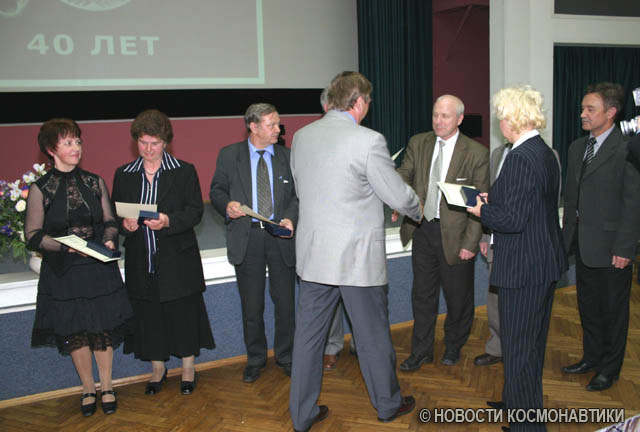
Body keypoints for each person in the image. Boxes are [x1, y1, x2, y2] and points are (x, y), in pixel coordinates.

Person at [288, 71, 423, 431]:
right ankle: (387, 405)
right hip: (356, 259)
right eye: (368, 102)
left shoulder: (301, 137)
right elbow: (397, 195)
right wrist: (418, 207)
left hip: (314, 257)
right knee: (372, 336)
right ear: (360, 102)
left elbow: (304, 189)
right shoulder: (369, 140)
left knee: (308, 340)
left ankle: (301, 415)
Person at [468, 85, 567, 431]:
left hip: (525, 267)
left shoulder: (522, 157)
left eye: (501, 116)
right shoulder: (542, 151)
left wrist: (481, 210)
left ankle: (526, 426)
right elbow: (529, 204)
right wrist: (492, 199)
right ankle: (516, 402)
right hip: (541, 261)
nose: (500, 122)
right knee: (528, 346)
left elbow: (513, 220)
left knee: (521, 350)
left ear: (513, 118)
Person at [26, 118, 134, 416]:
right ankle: (88, 388)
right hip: (64, 271)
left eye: (77, 142)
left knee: (102, 330)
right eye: (68, 143)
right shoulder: (41, 188)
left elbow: (110, 221)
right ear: (51, 150)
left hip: (98, 269)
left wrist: (109, 239)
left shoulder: (94, 182)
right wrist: (67, 247)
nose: (76, 148)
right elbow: (33, 235)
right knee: (76, 333)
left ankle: (107, 385)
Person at [112, 109, 214, 396]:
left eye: (154, 143)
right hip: (141, 260)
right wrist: (125, 224)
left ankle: (188, 368)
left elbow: (195, 212)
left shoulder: (183, 170)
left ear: (165, 142)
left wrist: (168, 221)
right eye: (143, 143)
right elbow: (116, 215)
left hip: (177, 260)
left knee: (183, 315)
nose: (148, 149)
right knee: (149, 317)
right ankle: (157, 369)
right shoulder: (124, 174)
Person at [394, 94, 489, 370]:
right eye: (435, 115)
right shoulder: (419, 142)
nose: (438, 121)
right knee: (422, 295)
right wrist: (402, 197)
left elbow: (479, 202)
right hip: (422, 229)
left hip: (457, 236)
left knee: (458, 298)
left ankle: (453, 346)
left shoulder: (476, 153)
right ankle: (421, 350)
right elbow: (403, 174)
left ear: (459, 119)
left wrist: (471, 243)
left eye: (445, 116)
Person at [210, 103, 297, 383]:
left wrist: (290, 218)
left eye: (278, 124)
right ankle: (256, 359)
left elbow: (297, 196)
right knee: (252, 306)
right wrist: (227, 205)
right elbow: (216, 191)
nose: (278, 130)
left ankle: (287, 356)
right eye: (272, 125)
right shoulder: (229, 155)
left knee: (286, 304)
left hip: (280, 236)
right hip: (247, 237)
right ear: (254, 126)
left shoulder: (287, 156)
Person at [561, 83, 640, 391]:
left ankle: (610, 368)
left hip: (612, 247)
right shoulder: (577, 148)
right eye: (582, 108)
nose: (583, 114)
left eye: (590, 109)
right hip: (582, 244)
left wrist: (625, 248)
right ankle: (591, 357)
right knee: (588, 307)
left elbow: (633, 203)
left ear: (611, 112)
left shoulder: (628, 148)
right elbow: (572, 199)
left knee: (613, 312)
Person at [318, 84, 357, 371]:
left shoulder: (360, 137)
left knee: (358, 292)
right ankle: (332, 347)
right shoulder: (312, 139)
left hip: (355, 230)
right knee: (330, 293)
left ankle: (360, 341)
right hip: (325, 232)